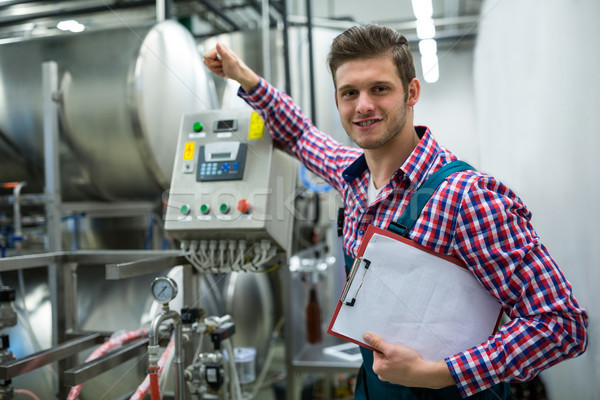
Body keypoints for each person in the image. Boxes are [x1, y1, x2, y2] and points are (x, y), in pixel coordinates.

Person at [203, 25, 588, 399]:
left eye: (380, 89)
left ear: (411, 92)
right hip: (373, 388)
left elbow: (561, 325)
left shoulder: (468, 197)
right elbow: (301, 134)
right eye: (349, 93)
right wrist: (245, 77)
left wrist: (440, 374)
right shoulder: (350, 174)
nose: (363, 105)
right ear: (337, 101)